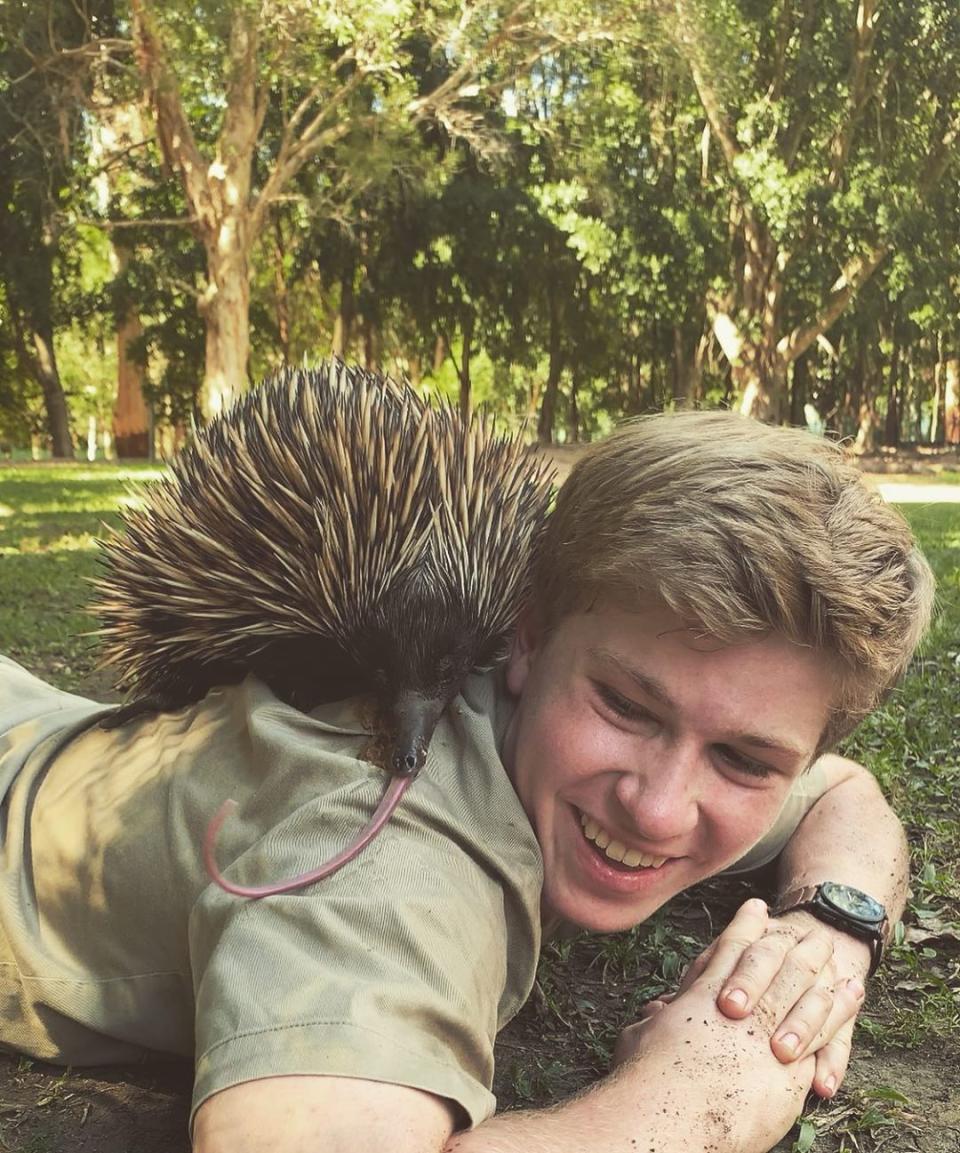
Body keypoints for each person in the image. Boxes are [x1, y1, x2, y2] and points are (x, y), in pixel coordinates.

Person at [0, 410, 933, 1153]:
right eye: (625, 706)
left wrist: (829, 931)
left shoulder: (562, 692)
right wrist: (698, 1100)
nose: (656, 807)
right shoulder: (377, 857)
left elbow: (848, 795)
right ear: (526, 638)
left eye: (743, 758)